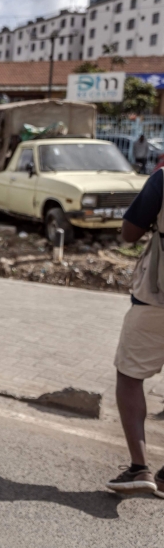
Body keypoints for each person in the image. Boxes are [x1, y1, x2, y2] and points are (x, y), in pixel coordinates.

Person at [106, 165, 164, 496]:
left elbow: (130, 232)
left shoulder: (163, 179)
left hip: (156, 297)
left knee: (129, 376)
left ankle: (139, 468)